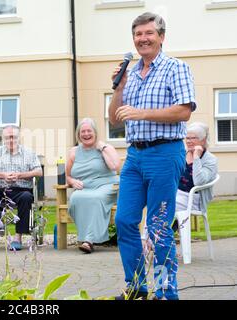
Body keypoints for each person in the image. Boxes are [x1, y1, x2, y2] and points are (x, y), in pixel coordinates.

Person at [108, 12, 196, 300]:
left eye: (148, 33)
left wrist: (142, 113)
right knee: (124, 221)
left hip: (164, 152)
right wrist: (119, 89)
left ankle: (166, 292)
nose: (142, 39)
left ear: (161, 37)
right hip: (134, 156)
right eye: (138, 35)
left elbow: (184, 111)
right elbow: (114, 120)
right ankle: (135, 287)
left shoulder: (175, 68)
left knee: (158, 228)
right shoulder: (131, 75)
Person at [0, 125, 42, 251]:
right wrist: (3, 175)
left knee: (26, 197)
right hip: (1, 190)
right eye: (7, 138)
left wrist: (21, 175)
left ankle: (18, 237)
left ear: (18, 138)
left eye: (13, 137)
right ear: (3, 139)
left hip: (21, 191)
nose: (10, 140)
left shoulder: (29, 153)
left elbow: (38, 172)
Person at [66, 118, 120, 254]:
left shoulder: (106, 147)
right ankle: (85, 238)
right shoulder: (73, 152)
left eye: (89, 131)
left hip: (107, 185)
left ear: (95, 133)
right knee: (75, 198)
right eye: (82, 131)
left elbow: (115, 166)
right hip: (84, 187)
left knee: (95, 198)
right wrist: (72, 182)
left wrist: (102, 148)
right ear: (78, 134)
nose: (86, 134)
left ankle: (89, 240)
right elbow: (67, 175)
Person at [174, 122, 218, 229]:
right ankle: (149, 241)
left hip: (193, 199)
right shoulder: (182, 154)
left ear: (203, 140)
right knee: (154, 201)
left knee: (160, 204)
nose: (188, 141)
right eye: (187, 138)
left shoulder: (211, 160)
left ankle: (153, 240)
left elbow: (199, 181)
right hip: (176, 194)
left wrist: (196, 158)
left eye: (192, 138)